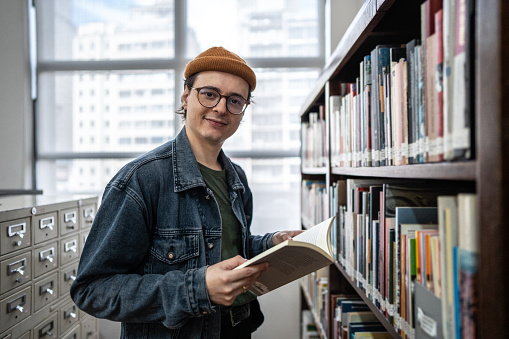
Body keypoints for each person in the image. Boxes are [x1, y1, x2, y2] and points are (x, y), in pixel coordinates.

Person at [70, 46, 303, 339]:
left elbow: (229, 249)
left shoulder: (237, 178)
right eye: (209, 93)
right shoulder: (141, 180)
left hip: (239, 328)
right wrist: (198, 289)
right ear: (186, 96)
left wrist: (273, 243)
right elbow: (93, 290)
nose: (220, 108)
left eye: (235, 100)